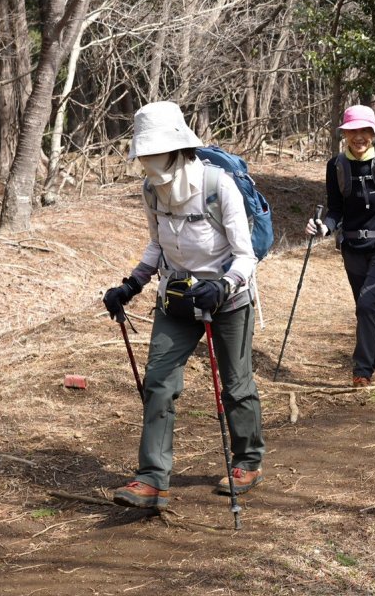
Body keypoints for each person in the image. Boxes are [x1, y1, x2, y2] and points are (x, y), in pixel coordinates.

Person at [103, 101, 265, 509]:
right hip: (176, 298)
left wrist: (223, 286)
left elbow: (246, 255)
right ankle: (152, 479)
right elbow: (157, 244)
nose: (148, 160)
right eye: (144, 152)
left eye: (154, 151)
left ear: (176, 148)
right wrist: (132, 284)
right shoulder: (150, 190)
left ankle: (248, 461)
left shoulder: (217, 185)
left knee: (236, 384)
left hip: (227, 299)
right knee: (159, 383)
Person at [305, 105, 375, 387]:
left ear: (373, 133)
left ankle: (363, 370)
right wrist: (324, 227)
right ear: (345, 134)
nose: (359, 137)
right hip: (353, 246)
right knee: (367, 308)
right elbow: (335, 210)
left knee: (367, 303)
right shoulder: (336, 166)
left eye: (364, 130)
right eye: (352, 131)